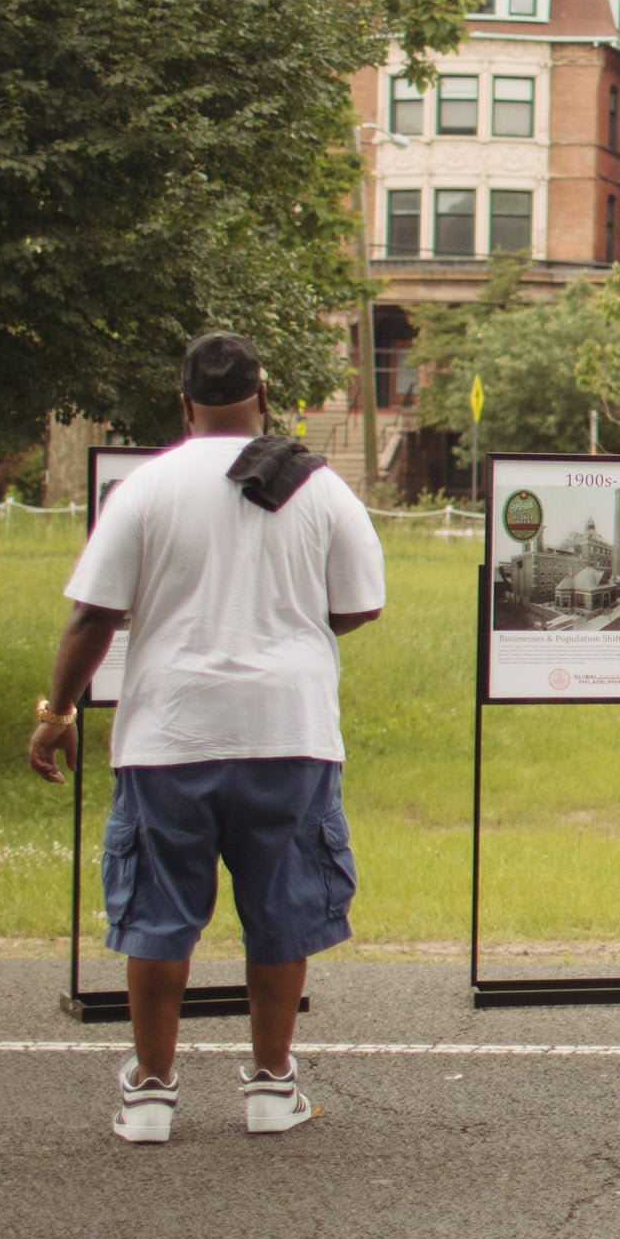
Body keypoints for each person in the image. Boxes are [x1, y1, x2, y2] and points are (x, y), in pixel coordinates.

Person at [30, 333, 386, 1145]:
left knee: (158, 914)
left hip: (170, 731)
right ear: (264, 394)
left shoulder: (144, 489)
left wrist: (57, 713)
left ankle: (152, 1091)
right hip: (288, 729)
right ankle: (270, 1084)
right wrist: (291, 632)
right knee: (281, 908)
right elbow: (363, 601)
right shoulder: (321, 488)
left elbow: (93, 614)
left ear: (182, 403)